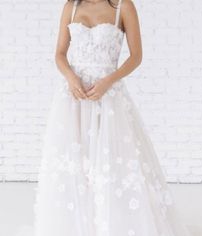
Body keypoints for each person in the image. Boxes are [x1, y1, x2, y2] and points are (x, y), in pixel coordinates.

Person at [33, 0, 192, 235]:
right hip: (74, 99)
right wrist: (71, 78)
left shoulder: (123, 6)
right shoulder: (71, 6)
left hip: (108, 100)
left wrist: (109, 80)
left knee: (111, 163)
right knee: (77, 164)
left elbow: (136, 56)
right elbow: (59, 54)